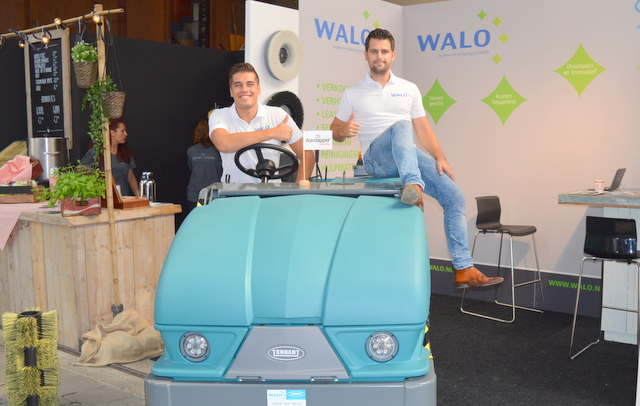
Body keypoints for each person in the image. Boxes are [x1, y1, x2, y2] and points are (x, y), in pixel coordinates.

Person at [330, 28, 502, 289]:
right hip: (376, 160)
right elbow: (334, 130)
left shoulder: (409, 88)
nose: (379, 56)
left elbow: (422, 129)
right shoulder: (353, 92)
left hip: (406, 156)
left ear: (393, 55)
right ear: (366, 55)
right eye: (374, 51)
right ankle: (413, 185)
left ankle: (463, 268)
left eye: (384, 51)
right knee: (401, 125)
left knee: (455, 197)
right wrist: (343, 130)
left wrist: (440, 158)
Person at [209, 62, 314, 183]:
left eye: (250, 84)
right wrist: (273, 132)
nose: (244, 89)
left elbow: (307, 154)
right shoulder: (220, 115)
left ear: (258, 89)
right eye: (238, 85)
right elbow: (223, 144)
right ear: (231, 91)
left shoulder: (278, 115)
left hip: (271, 192)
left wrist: (299, 189)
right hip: (232, 192)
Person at [81, 118, 140, 197]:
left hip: (123, 197)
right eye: (122, 131)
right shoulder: (97, 152)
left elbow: (131, 177)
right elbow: (81, 171)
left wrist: (139, 196)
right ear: (112, 133)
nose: (126, 134)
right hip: (103, 197)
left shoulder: (125, 153)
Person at [186, 119, 223, 212]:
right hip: (211, 195)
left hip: (199, 195)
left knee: (197, 220)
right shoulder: (220, 150)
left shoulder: (191, 150)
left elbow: (192, 169)